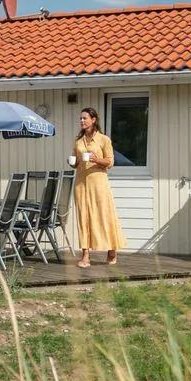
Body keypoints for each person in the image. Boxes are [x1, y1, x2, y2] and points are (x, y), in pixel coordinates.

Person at [71, 107, 127, 267]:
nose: (82, 121)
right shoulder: (78, 141)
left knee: (104, 216)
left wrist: (97, 159)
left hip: (99, 184)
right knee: (83, 218)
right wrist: (73, 162)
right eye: (80, 118)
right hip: (81, 184)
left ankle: (112, 249)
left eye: (85, 118)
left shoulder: (104, 140)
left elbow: (110, 162)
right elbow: (76, 162)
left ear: (93, 120)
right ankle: (85, 256)